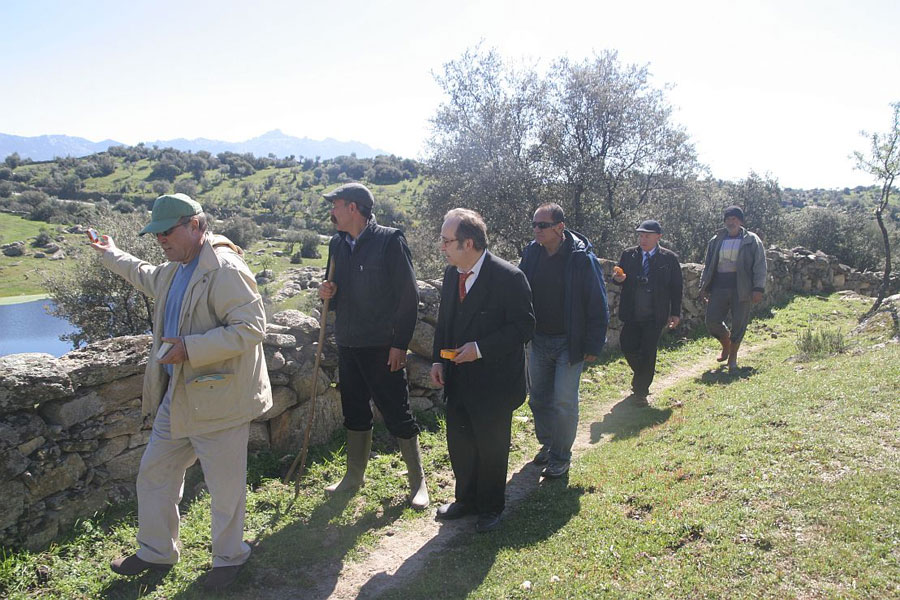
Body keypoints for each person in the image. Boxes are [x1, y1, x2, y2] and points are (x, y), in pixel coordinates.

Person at [91, 193, 272, 592]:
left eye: (166, 232)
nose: (160, 241)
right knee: (155, 473)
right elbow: (144, 275)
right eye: (156, 234)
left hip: (221, 400)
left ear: (195, 225)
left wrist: (191, 348)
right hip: (181, 396)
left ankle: (229, 557)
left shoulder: (224, 269)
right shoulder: (175, 269)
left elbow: (251, 327)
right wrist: (110, 253)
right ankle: (156, 550)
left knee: (225, 488)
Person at [318, 182, 428, 509]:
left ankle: (417, 481)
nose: (331, 212)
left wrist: (400, 344)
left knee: (397, 410)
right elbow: (334, 297)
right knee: (353, 409)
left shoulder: (390, 241)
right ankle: (354, 477)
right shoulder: (338, 245)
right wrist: (327, 294)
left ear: (353, 208)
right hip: (349, 343)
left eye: (335, 205)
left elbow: (409, 297)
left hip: (382, 346)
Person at [430, 208, 535, 533]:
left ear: (469, 243)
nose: (442, 247)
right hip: (459, 378)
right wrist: (437, 359)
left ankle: (491, 506)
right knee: (460, 442)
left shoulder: (508, 277)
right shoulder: (452, 274)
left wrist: (478, 349)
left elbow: (524, 327)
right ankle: (466, 499)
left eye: (448, 241)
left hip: (495, 382)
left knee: (491, 446)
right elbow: (445, 322)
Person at [518, 203, 608, 479]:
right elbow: (519, 288)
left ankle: (561, 456)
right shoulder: (532, 253)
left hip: (570, 342)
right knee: (539, 399)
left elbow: (597, 302)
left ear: (559, 228)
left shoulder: (581, 258)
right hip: (539, 339)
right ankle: (549, 443)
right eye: (534, 224)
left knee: (564, 401)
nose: (536, 229)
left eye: (542, 225)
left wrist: (593, 344)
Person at [611, 220, 683, 406]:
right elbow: (619, 279)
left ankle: (640, 391)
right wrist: (619, 279)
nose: (643, 239)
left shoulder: (669, 259)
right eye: (641, 235)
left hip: (655, 314)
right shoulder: (629, 255)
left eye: (647, 235)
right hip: (632, 312)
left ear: (658, 237)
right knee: (627, 345)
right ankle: (642, 375)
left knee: (648, 351)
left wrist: (675, 313)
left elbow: (676, 288)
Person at [699, 205, 767, 373]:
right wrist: (704, 286)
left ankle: (733, 359)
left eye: (734, 219)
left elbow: (760, 265)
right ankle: (726, 344)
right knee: (712, 321)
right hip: (719, 287)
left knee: (739, 323)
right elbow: (708, 265)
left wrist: (758, 288)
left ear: (740, 221)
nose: (731, 222)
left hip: (742, 289)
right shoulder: (716, 240)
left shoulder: (752, 240)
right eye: (728, 219)